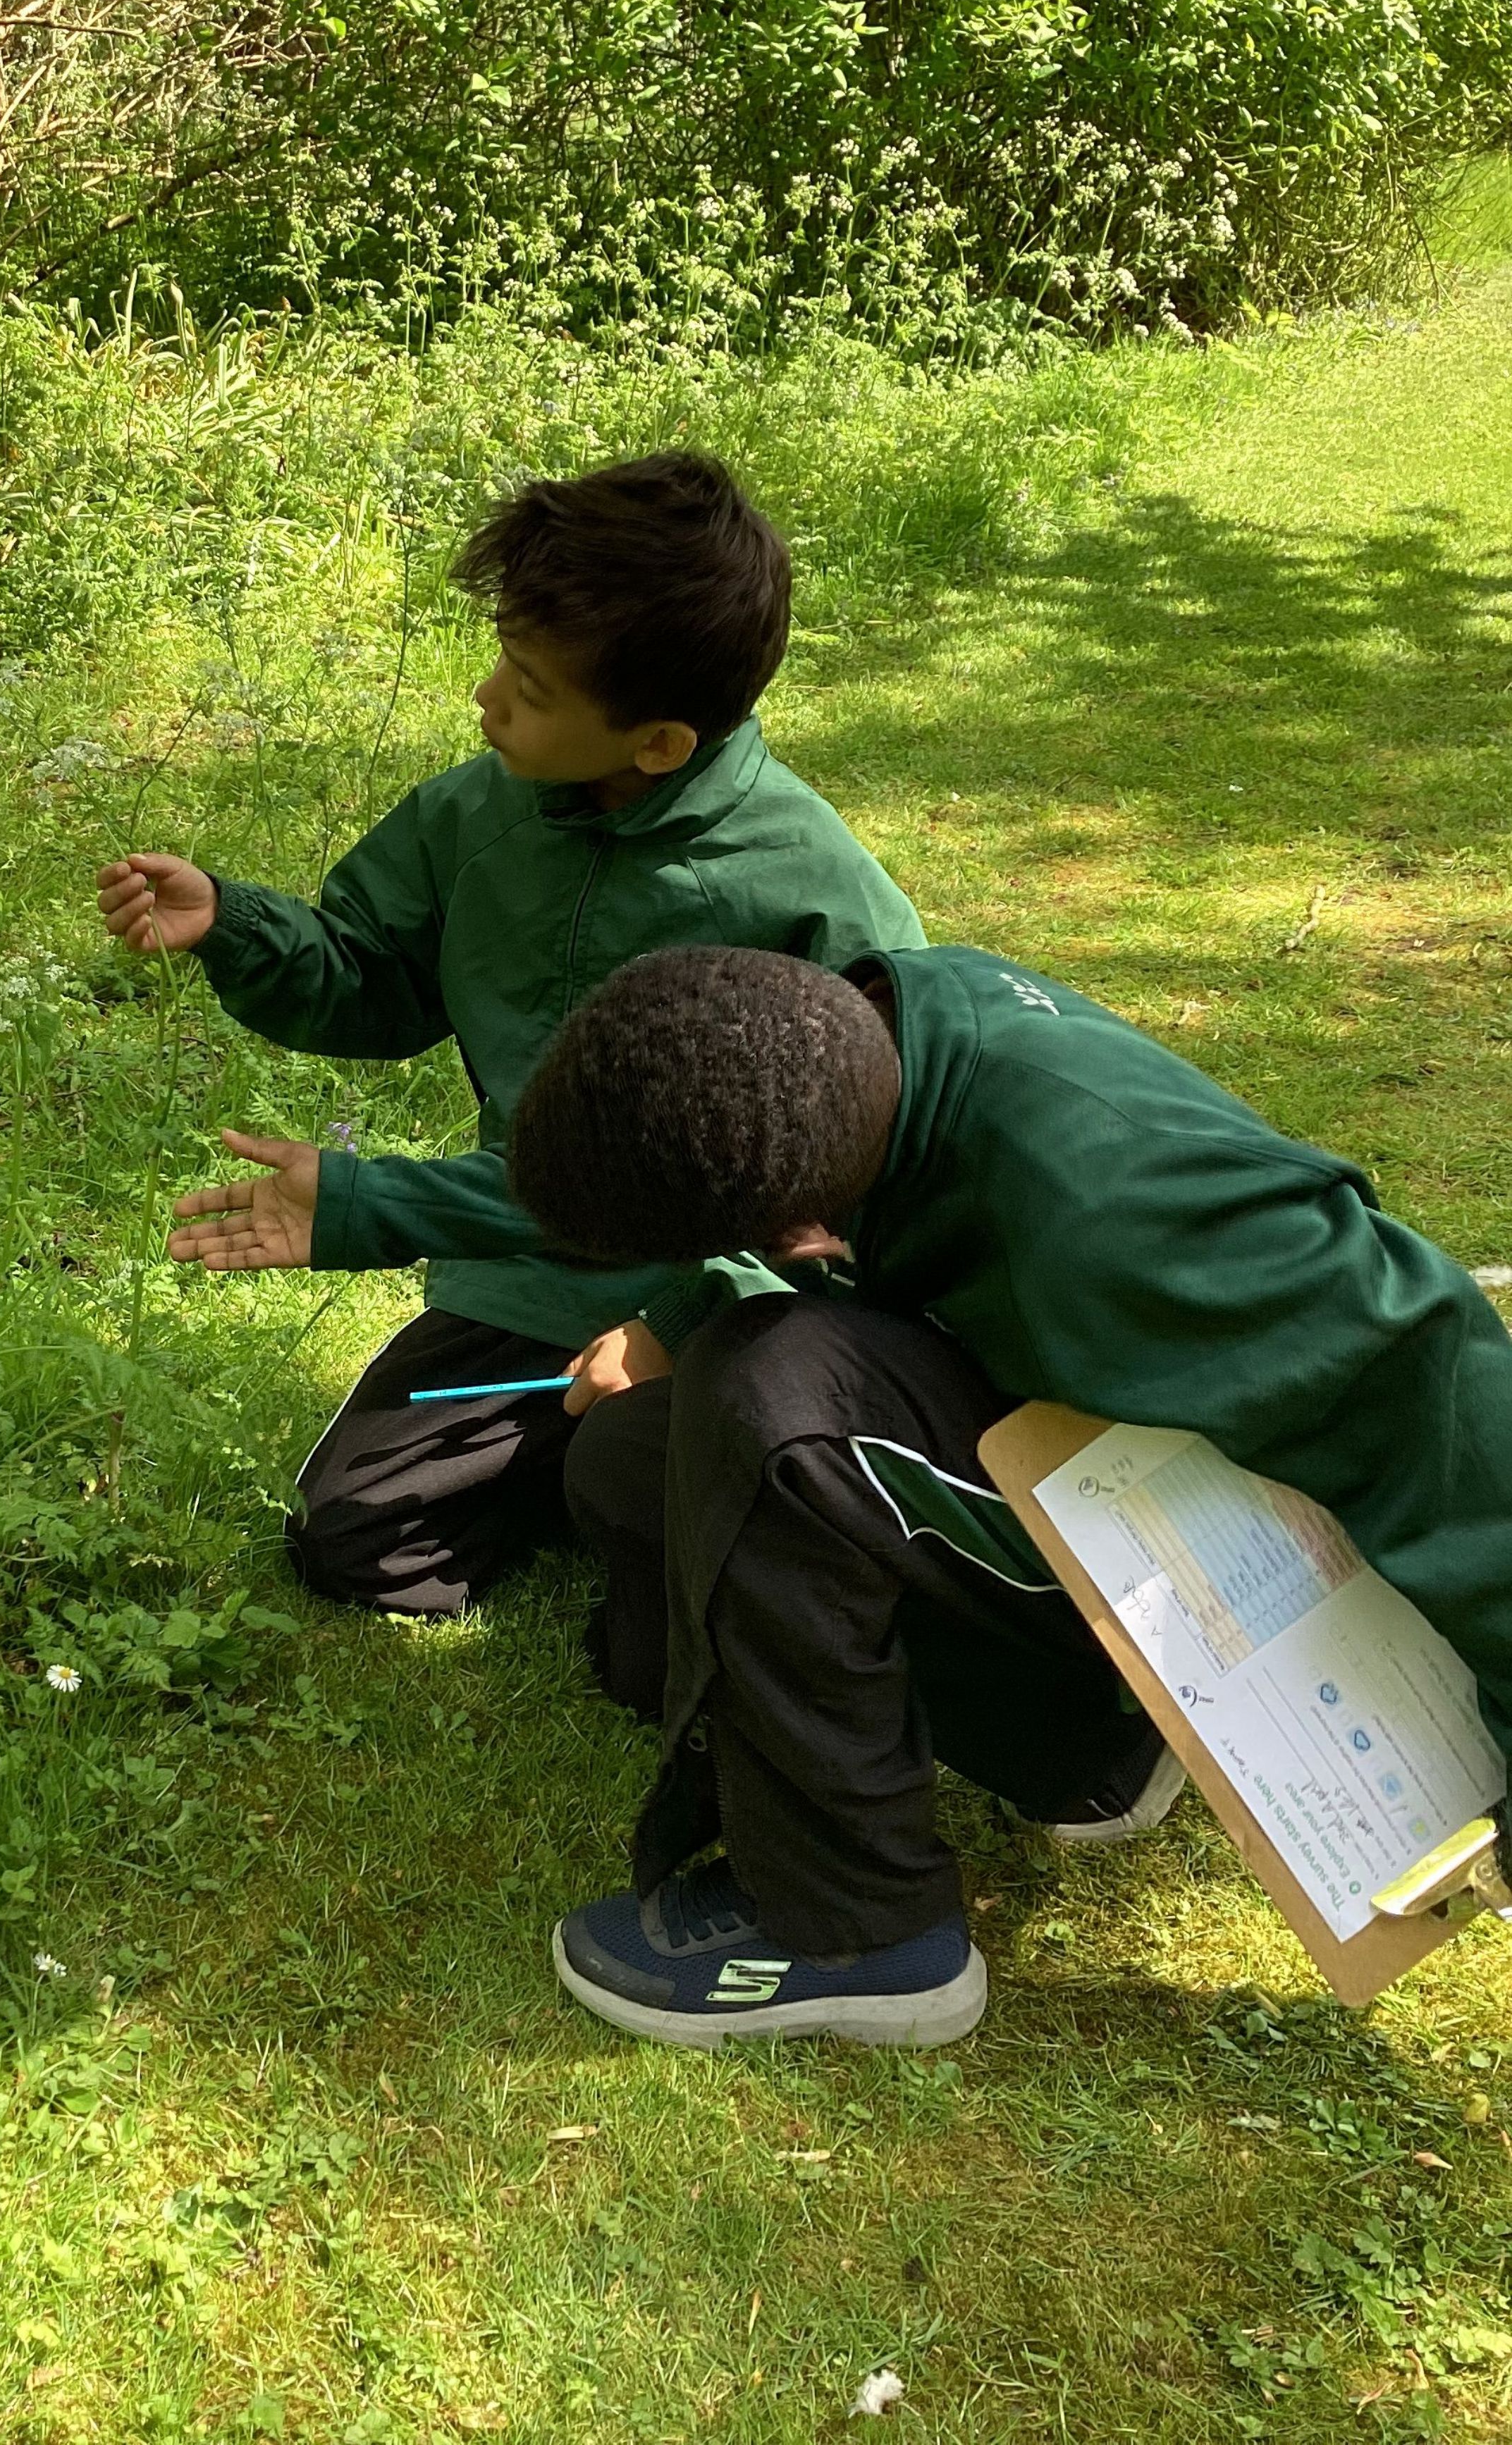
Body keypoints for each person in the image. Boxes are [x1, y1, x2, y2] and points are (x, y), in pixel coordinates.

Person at [499, 941, 1512, 2048]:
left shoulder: (1132, 1216)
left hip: (1185, 1550)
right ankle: (1075, 1752)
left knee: (770, 1406)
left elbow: (1437, 1369)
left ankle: (863, 1932)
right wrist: (684, 1313)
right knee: (632, 1457)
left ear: (801, 1235)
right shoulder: (868, 1035)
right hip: (1064, 1428)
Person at [97, 452, 924, 1626]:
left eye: (529, 689)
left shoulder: (816, 896)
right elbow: (372, 983)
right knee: (354, 1536)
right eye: (502, 659)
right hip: (526, 1261)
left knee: (686, 1487)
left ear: (658, 742)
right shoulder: (475, 815)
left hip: (734, 1292)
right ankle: (590, 1457)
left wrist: (679, 1324)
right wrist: (235, 925)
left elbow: (860, 1193)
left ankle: (656, 1451)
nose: (488, 699)